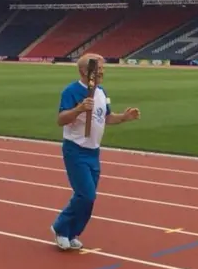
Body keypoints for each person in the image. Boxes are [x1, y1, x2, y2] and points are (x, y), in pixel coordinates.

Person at [50, 53, 140, 250]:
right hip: (75, 150)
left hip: (93, 152)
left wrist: (124, 117)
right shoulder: (71, 91)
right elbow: (61, 119)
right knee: (86, 195)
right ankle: (60, 227)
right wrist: (79, 109)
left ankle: (72, 233)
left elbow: (106, 117)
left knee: (87, 197)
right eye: (98, 69)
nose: (102, 73)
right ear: (85, 71)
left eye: (102, 69)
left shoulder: (100, 91)